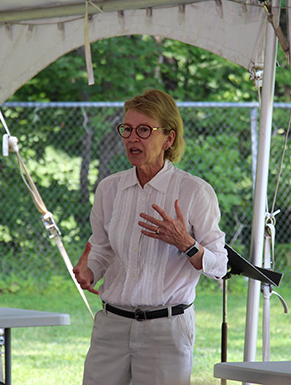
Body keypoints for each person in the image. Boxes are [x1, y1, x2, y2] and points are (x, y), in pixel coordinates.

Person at [73, 89, 228, 385]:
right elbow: (103, 250)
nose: (132, 138)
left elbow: (220, 265)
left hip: (165, 331)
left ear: (168, 138)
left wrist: (187, 244)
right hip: (111, 327)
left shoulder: (194, 192)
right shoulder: (109, 188)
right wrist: (89, 270)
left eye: (144, 130)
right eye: (127, 129)